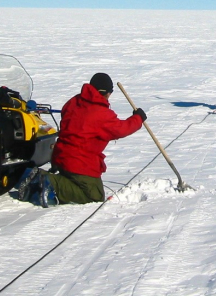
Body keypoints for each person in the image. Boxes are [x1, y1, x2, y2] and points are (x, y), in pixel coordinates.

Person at [16, 72, 145, 207]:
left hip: (60, 156)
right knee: (94, 195)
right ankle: (50, 182)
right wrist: (138, 118)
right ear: (106, 92)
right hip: (80, 162)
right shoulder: (101, 113)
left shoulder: (74, 101)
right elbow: (121, 129)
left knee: (75, 181)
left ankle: (41, 183)